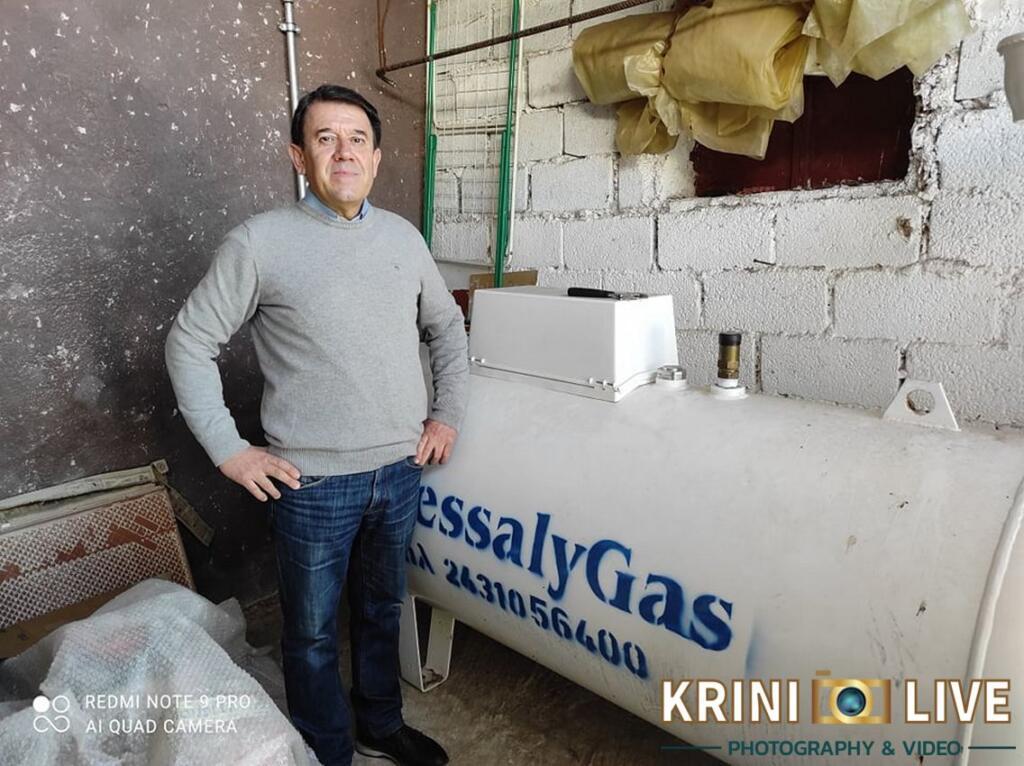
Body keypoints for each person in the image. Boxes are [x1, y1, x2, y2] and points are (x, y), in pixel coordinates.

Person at [165, 84, 467, 766]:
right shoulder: (260, 242)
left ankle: (378, 725)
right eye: (325, 139)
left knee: (382, 611)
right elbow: (189, 342)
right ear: (299, 157)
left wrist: (447, 414)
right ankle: (328, 749)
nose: (344, 152)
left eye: (357, 139)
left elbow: (447, 329)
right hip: (312, 485)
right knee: (310, 633)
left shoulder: (403, 238)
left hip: (400, 471)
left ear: (377, 158)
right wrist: (229, 450)